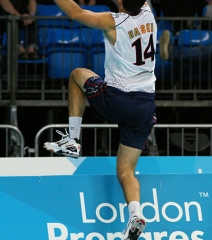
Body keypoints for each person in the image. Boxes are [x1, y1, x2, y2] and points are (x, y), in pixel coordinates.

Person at [43, 0, 157, 239]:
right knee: (126, 170)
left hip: (119, 100)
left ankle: (73, 139)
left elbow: (75, 12)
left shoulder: (114, 21)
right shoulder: (148, 12)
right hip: (145, 106)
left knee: (77, 75)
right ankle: (135, 214)